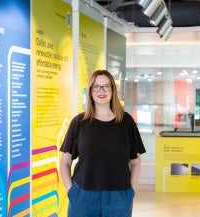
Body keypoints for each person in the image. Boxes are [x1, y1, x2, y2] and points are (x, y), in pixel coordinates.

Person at [60, 69, 146, 217]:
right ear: (90, 91)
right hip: (83, 195)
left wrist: (131, 191)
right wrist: (71, 192)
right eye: (96, 86)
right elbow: (65, 161)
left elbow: (136, 161)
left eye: (106, 86)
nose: (102, 90)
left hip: (119, 197)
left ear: (113, 90)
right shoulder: (79, 122)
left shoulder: (126, 122)